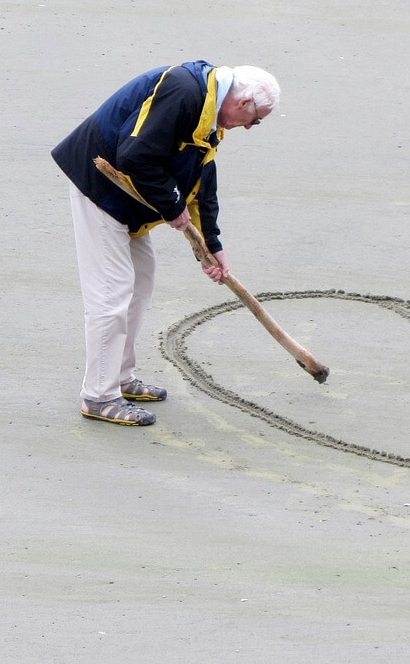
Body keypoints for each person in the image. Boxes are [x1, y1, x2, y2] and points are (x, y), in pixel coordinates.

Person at [52, 61, 279, 426]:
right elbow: (134, 156)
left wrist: (211, 246)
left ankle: (120, 379)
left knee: (141, 280)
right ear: (244, 102)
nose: (251, 127)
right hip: (99, 188)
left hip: (128, 200)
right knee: (111, 294)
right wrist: (172, 209)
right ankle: (98, 395)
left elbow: (201, 178)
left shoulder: (209, 114)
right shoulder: (184, 91)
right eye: (256, 119)